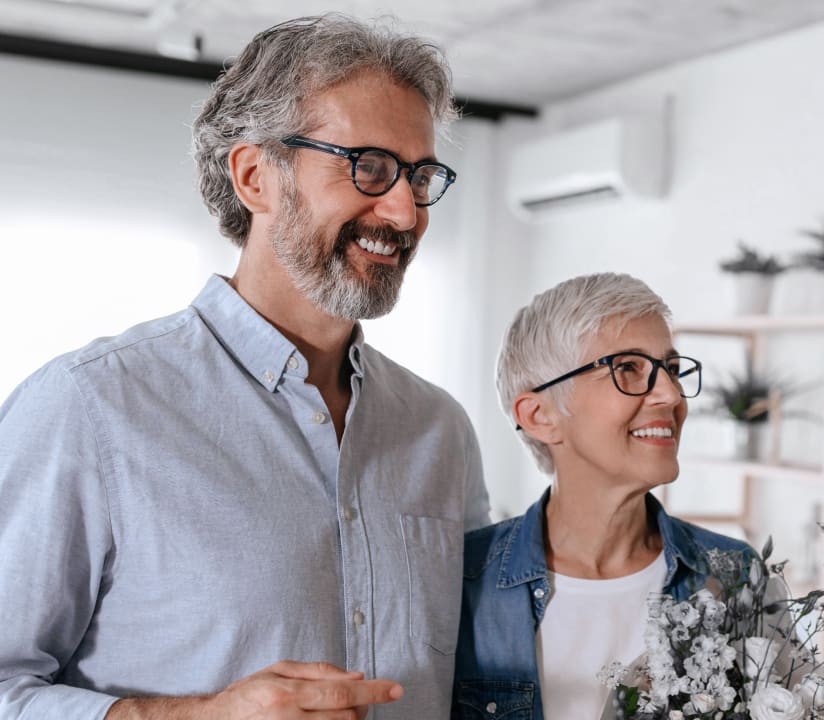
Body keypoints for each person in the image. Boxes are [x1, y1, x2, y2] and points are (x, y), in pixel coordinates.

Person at [0, 14, 490, 720]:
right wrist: (193, 717)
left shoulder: (439, 429)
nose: (405, 211)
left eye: (420, 175)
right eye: (370, 167)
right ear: (257, 176)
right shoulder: (89, 407)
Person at [452, 273, 754, 720]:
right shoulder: (461, 583)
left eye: (671, 368)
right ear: (539, 416)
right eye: (628, 368)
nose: (671, 395)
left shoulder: (738, 575)